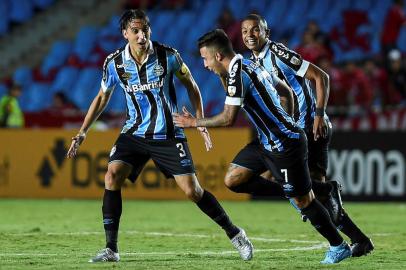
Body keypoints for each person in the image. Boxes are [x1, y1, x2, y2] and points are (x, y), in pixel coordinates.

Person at [66, 10, 253, 263]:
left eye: (145, 29)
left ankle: (235, 233)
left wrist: (199, 121)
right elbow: (102, 96)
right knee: (111, 175)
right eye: (136, 31)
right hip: (134, 132)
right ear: (125, 34)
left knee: (192, 191)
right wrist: (82, 131)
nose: (142, 35)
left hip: (167, 133)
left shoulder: (169, 56)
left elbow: (192, 86)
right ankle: (111, 248)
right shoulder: (115, 63)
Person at [173, 29, 352, 264]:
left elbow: (228, 118)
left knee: (303, 201)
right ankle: (312, 189)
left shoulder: (239, 73)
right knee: (233, 180)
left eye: (205, 59)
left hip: (286, 144)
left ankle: (338, 246)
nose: (204, 65)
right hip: (266, 143)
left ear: (218, 56)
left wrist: (193, 122)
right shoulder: (249, 65)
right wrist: (283, 119)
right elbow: (285, 92)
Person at [236, 14, 374, 257]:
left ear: (266, 32)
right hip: (292, 133)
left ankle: (349, 232)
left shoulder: (278, 53)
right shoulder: (252, 63)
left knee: (304, 193)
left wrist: (318, 116)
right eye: (245, 31)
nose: (249, 35)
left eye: (255, 30)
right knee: (309, 193)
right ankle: (358, 238)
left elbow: (321, 77)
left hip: (309, 128)